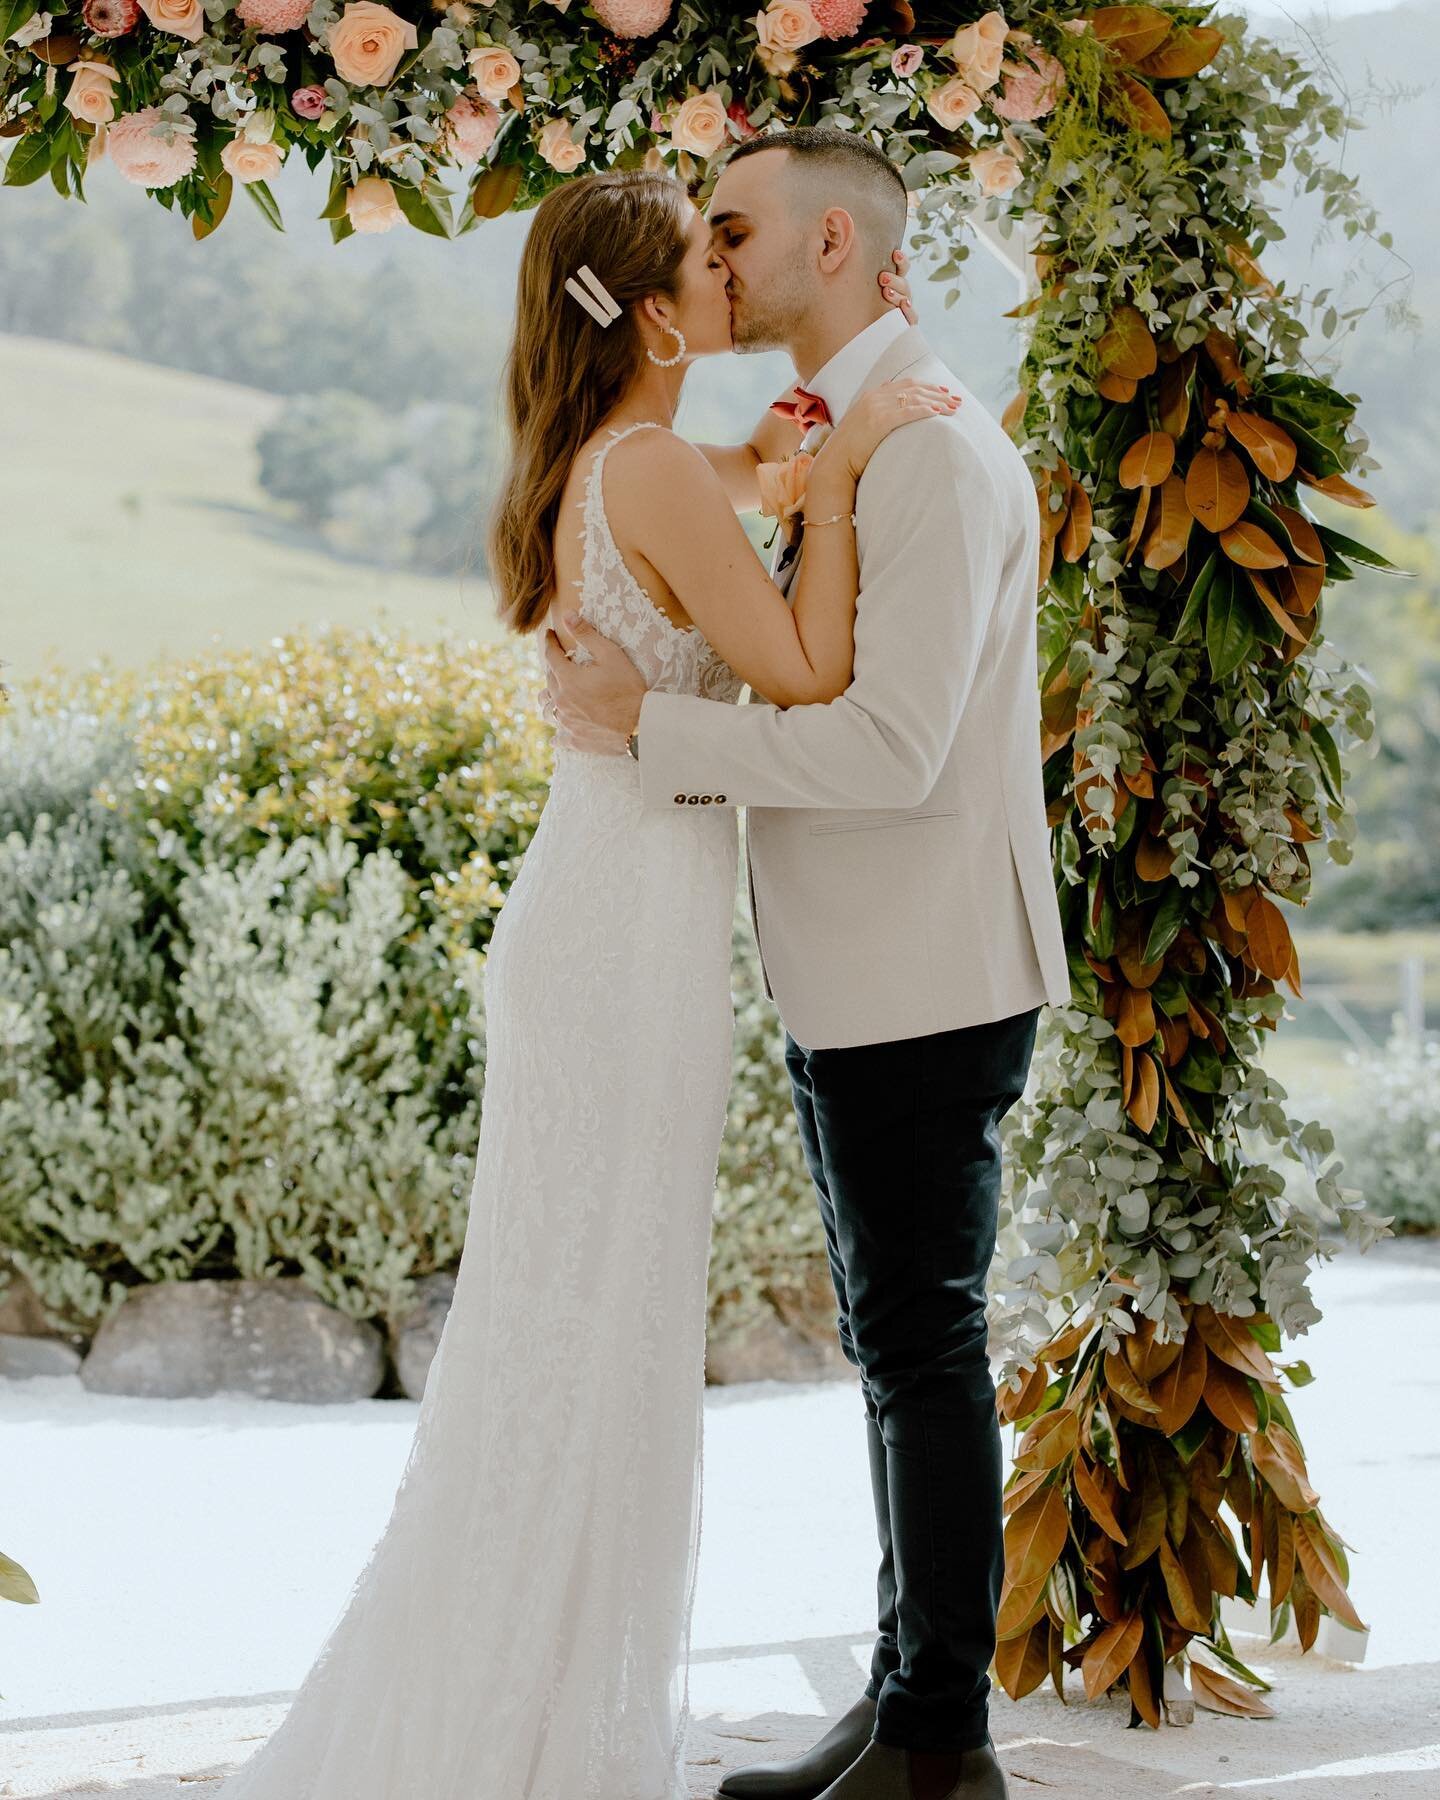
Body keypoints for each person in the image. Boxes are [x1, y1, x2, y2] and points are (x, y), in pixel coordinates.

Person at [203, 166, 945, 1800]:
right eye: (705, 256)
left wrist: (802, 449)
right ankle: (523, 1732)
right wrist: (847, 482)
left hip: (602, 920)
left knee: (565, 1318)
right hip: (625, 943)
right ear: (660, 314)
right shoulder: (657, 470)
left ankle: (510, 1699)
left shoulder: (617, 459)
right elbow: (811, 672)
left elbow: (745, 474)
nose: (730, 278)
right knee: (591, 1324)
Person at [544, 128, 1071, 1800]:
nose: (717, 255)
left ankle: (939, 1740)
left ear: (833, 241)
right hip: (867, 963)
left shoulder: (924, 455)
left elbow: (894, 750)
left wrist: (656, 730)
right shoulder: (866, 434)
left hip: (921, 967)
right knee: (897, 1340)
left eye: (737, 227)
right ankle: (903, 1691)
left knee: (921, 1342)